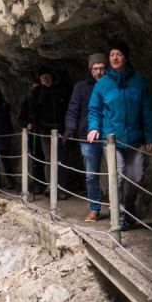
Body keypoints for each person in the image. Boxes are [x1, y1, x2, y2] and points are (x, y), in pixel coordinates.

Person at [87, 42, 152, 228]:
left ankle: (129, 206)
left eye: (118, 54)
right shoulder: (103, 84)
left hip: (136, 138)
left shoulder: (138, 80)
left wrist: (151, 136)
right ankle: (118, 216)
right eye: (112, 55)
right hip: (112, 140)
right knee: (116, 177)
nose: (115, 58)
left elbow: (148, 110)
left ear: (125, 57)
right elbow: (94, 109)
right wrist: (94, 127)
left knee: (136, 177)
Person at [66, 53, 107, 221]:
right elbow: (73, 108)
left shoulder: (111, 85)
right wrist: (70, 127)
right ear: (90, 70)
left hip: (110, 135)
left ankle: (121, 209)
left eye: (101, 68)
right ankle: (94, 208)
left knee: (118, 174)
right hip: (87, 136)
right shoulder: (81, 87)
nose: (98, 72)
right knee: (90, 175)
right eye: (94, 68)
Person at [19, 66, 67, 196]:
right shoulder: (38, 92)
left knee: (60, 158)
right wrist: (36, 124)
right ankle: (50, 186)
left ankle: (60, 188)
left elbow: (66, 107)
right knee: (48, 158)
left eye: (48, 76)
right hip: (45, 129)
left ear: (52, 76)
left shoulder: (60, 89)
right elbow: (32, 110)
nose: (46, 79)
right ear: (40, 79)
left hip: (60, 128)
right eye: (43, 77)